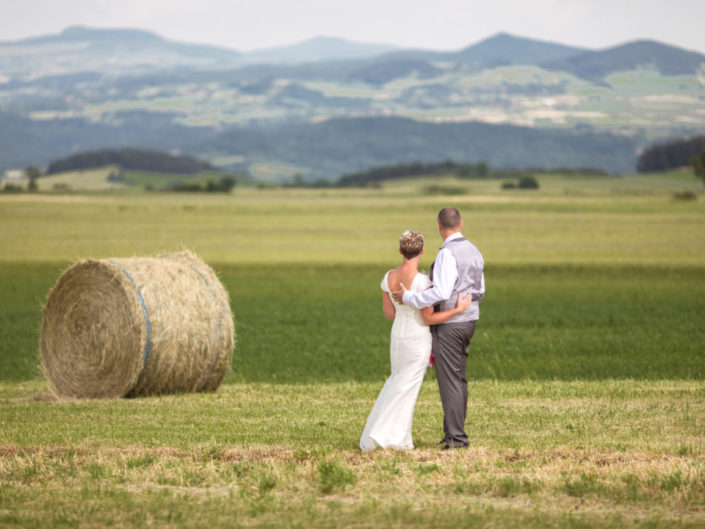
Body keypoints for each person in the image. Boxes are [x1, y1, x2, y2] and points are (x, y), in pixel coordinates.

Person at [360, 229, 472, 451]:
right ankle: (390, 437)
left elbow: (389, 314)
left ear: (400, 250)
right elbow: (428, 318)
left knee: (397, 381)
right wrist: (458, 310)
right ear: (422, 251)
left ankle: (394, 436)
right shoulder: (423, 281)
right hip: (417, 337)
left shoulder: (388, 277)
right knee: (407, 387)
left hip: (397, 337)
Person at [392, 207, 485, 449]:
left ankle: (456, 439)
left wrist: (411, 297)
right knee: (459, 379)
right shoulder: (475, 251)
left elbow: (442, 292)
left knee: (450, 382)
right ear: (461, 223)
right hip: (469, 320)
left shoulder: (447, 254)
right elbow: (480, 290)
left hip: (450, 323)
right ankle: (453, 433)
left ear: (438, 226)